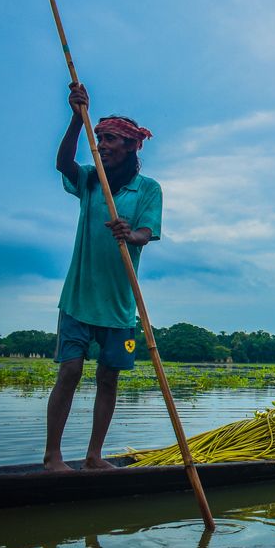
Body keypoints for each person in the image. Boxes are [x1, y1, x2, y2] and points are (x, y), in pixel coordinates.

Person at [43, 82, 162, 471]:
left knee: (108, 378)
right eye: (99, 138)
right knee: (71, 370)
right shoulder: (91, 180)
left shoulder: (146, 189)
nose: (102, 145)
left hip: (119, 305)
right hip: (79, 297)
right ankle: (53, 456)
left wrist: (131, 234)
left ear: (130, 146)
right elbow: (63, 164)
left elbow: (147, 232)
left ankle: (94, 456)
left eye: (109, 139)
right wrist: (78, 120)